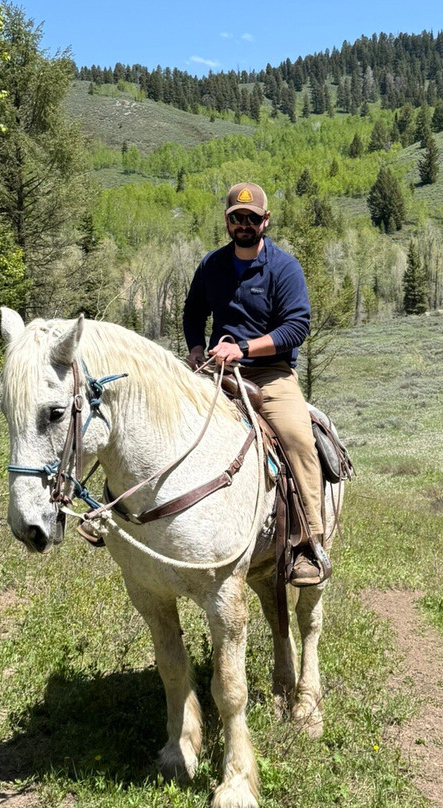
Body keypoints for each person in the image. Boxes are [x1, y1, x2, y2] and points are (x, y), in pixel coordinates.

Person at [183, 182, 330, 587]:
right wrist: (197, 348)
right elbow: (193, 310)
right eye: (236, 218)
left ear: (265, 221)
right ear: (227, 222)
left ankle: (308, 543)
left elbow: (296, 327)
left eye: (251, 218)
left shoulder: (284, 268)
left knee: (298, 439)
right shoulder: (212, 266)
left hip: (270, 373)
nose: (243, 224)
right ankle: (121, 511)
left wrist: (244, 348)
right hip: (217, 368)